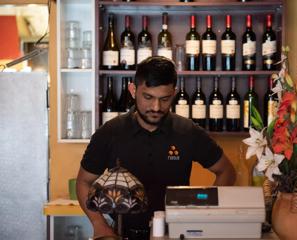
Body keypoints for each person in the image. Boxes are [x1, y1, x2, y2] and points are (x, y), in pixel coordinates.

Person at [76, 56, 236, 239]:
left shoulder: (188, 132)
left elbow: (226, 171)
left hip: (176, 234)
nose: (156, 107)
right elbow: (83, 182)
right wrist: (99, 225)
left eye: (165, 99)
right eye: (148, 97)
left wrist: (204, 214)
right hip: (123, 234)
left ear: (174, 93)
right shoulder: (109, 133)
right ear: (133, 90)